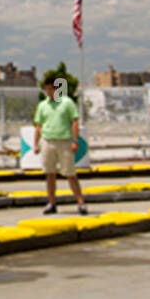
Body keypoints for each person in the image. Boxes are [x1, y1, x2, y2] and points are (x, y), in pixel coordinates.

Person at [34, 72, 87, 215]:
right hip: (47, 141)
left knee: (70, 173)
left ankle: (80, 202)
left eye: (51, 89)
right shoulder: (43, 105)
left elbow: (74, 121)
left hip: (64, 141)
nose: (48, 92)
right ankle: (51, 203)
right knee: (49, 173)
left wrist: (75, 140)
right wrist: (35, 143)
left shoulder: (67, 103)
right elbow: (38, 125)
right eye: (47, 89)